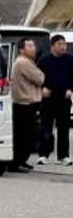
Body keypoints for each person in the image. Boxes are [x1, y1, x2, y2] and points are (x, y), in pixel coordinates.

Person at [37, 33, 73, 166]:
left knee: (63, 127)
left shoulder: (70, 60)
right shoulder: (44, 60)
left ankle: (63, 156)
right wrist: (43, 87)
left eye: (64, 44)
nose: (63, 47)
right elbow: (37, 77)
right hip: (48, 97)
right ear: (52, 46)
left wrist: (70, 88)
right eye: (60, 44)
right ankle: (43, 154)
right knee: (46, 127)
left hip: (64, 96)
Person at [10, 38, 45, 172]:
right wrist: (41, 74)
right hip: (25, 104)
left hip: (26, 103)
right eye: (29, 46)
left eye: (33, 45)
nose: (33, 48)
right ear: (21, 49)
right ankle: (16, 162)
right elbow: (40, 78)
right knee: (24, 135)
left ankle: (21, 160)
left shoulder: (26, 62)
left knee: (27, 135)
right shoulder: (23, 62)